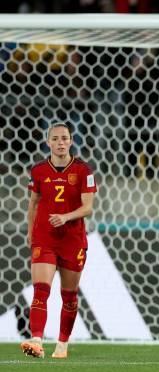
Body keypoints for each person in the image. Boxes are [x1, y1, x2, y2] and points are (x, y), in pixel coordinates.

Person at [20, 122, 97, 359]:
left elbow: (88, 208)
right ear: (48, 142)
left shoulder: (84, 171)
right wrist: (31, 230)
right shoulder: (39, 170)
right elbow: (33, 202)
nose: (60, 142)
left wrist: (65, 217)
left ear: (71, 141)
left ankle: (62, 344)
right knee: (41, 290)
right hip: (45, 237)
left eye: (65, 138)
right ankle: (36, 339)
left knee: (69, 295)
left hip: (72, 240)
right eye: (55, 139)